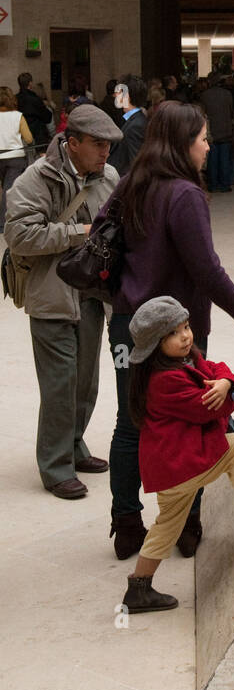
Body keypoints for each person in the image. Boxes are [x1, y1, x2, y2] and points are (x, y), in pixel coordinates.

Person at [101, 101, 234, 559]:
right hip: (179, 331)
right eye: (202, 138)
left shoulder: (130, 184)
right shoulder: (184, 194)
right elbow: (207, 271)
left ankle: (127, 525)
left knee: (130, 421)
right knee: (195, 415)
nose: (208, 145)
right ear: (183, 144)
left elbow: (100, 239)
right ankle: (188, 526)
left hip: (128, 323)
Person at [121, 297, 234, 614]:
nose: (186, 336)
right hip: (178, 467)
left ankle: (138, 587)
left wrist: (227, 382)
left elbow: (215, 368)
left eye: (186, 327)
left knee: (167, 526)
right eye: (174, 333)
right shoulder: (164, 381)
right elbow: (206, 409)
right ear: (154, 345)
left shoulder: (184, 361)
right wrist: (227, 395)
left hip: (169, 471)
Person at [3, 104, 122, 498]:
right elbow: (20, 236)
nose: (106, 152)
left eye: (110, 145)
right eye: (98, 144)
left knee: (86, 382)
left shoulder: (109, 177)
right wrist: (79, 232)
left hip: (91, 295)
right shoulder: (35, 180)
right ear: (72, 143)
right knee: (59, 385)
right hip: (52, 295)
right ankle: (55, 466)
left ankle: (74, 445)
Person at [0, 85, 33, 226]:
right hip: (15, 157)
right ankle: (3, 223)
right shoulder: (17, 116)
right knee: (9, 190)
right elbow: (29, 138)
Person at [200, 74, 234, 193]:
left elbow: (203, 112)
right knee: (225, 158)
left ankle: (213, 184)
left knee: (212, 160)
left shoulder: (204, 95)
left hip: (212, 131)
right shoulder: (227, 94)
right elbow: (231, 111)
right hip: (225, 130)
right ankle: (225, 184)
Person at [109, 76, 148, 178]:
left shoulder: (136, 125)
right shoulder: (133, 121)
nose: (114, 95)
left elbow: (137, 165)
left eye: (118, 92)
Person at [16, 71, 53, 155]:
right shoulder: (35, 99)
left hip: (20, 137)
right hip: (38, 137)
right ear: (30, 83)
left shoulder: (15, 99)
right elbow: (47, 118)